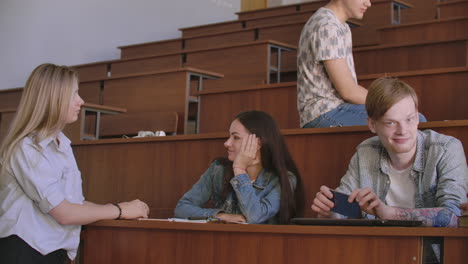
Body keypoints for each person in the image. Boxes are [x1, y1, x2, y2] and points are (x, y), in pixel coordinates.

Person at [0, 63, 150, 264]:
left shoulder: (62, 144)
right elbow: (65, 213)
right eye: (74, 94)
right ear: (54, 99)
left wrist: (119, 210)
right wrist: (121, 209)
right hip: (25, 253)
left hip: (52, 253)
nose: (81, 101)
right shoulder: (26, 148)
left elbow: (74, 204)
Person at [311, 77, 468, 227]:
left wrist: (389, 213)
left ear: (418, 118)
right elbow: (344, 208)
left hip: (429, 252)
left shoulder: (446, 149)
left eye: (409, 119)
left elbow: (455, 216)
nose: (403, 131)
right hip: (379, 249)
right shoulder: (366, 152)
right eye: (391, 123)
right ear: (372, 124)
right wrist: (330, 213)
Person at [174, 110, 304, 224]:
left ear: (258, 143)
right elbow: (182, 208)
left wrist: (240, 170)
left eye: (235, 137)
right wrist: (221, 216)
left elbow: (255, 216)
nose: (226, 143)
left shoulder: (284, 179)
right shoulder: (218, 170)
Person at [297, 0, 372, 128]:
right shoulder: (327, 26)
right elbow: (349, 92)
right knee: (407, 119)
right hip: (324, 112)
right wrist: (389, 103)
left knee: (404, 118)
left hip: (338, 109)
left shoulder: (341, 26)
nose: (368, 3)